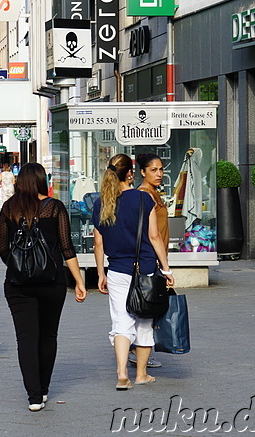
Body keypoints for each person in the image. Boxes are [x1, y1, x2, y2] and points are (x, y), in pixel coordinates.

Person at [0, 163, 87, 412]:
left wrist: (22, 267)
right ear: (41, 181)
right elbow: (67, 247)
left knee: (26, 338)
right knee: (48, 336)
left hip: (17, 285)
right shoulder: (54, 207)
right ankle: (44, 388)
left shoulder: (8, 209)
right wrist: (79, 281)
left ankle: (33, 396)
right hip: (52, 281)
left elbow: (3, 250)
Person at [92, 154, 174, 391]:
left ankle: (121, 373)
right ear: (130, 174)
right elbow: (154, 236)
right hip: (145, 269)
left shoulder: (101, 203)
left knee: (121, 322)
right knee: (144, 323)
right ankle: (141, 374)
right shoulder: (143, 199)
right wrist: (166, 268)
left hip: (117, 270)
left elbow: (99, 243)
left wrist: (100, 273)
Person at [130, 153, 169, 370]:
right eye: (153, 170)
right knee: (146, 306)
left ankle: (138, 350)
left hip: (156, 257)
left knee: (149, 306)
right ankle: (137, 351)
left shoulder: (155, 193)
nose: (159, 174)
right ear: (142, 172)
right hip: (148, 258)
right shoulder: (143, 194)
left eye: (161, 169)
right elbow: (149, 233)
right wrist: (164, 265)